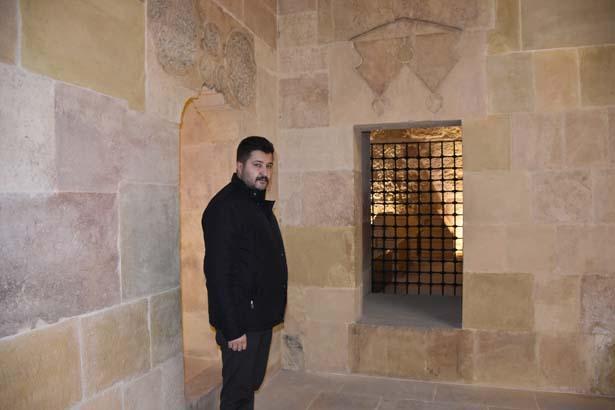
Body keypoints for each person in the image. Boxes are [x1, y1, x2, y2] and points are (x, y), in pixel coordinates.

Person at [202, 136, 288, 410]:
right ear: (239, 166)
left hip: (258, 317)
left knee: (248, 385)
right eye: (257, 165)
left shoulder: (254, 203)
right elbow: (217, 274)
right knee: (237, 396)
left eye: (269, 166)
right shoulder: (225, 207)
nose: (264, 172)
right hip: (241, 323)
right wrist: (233, 329)